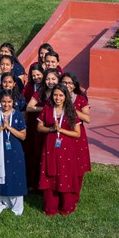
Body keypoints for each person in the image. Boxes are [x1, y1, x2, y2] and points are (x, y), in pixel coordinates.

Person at [38, 84, 85, 215]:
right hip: (50, 147)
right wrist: (51, 129)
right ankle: (50, 207)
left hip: (66, 149)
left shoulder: (71, 111)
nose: (57, 98)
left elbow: (77, 133)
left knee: (65, 175)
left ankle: (66, 207)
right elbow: (39, 127)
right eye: (55, 95)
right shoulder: (47, 108)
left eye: (60, 95)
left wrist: (61, 130)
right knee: (50, 174)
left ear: (65, 97)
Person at [0, 89, 27, 215]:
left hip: (14, 151)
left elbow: (23, 136)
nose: (6, 104)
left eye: (9, 102)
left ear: (13, 102)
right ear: (0, 102)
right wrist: (1, 128)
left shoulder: (18, 115)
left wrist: (9, 128)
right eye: (3, 102)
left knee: (15, 176)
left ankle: (17, 207)